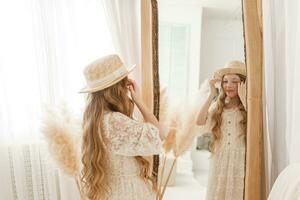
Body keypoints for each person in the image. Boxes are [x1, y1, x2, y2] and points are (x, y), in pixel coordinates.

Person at [79, 54, 165, 200]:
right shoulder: (115, 121)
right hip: (128, 193)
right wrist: (138, 101)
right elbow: (159, 134)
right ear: (118, 88)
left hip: (108, 191)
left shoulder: (95, 121)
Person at [196, 61, 247, 200]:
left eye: (234, 81)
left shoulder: (248, 108)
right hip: (220, 158)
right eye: (225, 81)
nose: (228, 85)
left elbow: (256, 126)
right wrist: (212, 93)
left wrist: (244, 97)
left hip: (240, 160)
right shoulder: (219, 107)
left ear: (243, 84)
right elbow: (199, 121)